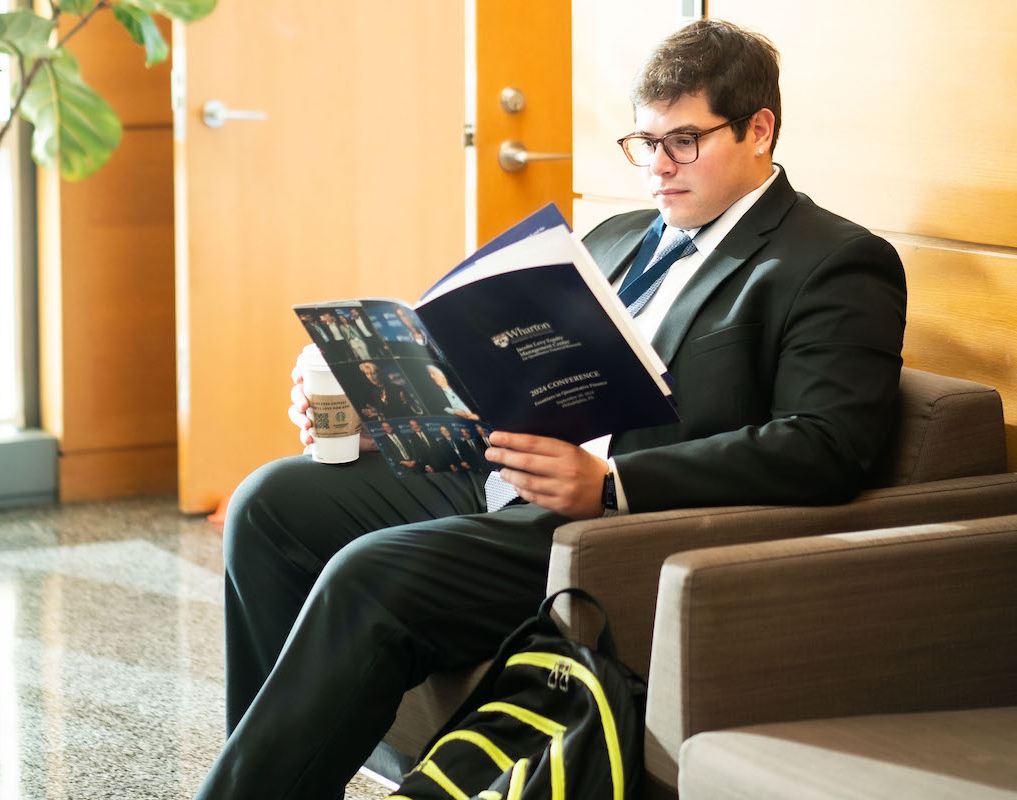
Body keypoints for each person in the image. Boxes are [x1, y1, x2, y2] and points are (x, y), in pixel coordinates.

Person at [194, 19, 906, 800]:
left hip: (604, 528)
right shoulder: (618, 237)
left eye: (684, 142)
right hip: (504, 477)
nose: (658, 170)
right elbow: (509, 383)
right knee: (270, 504)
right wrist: (389, 413)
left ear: (759, 128)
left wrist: (610, 484)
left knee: (370, 573)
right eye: (643, 143)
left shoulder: (831, 261)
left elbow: (827, 446)